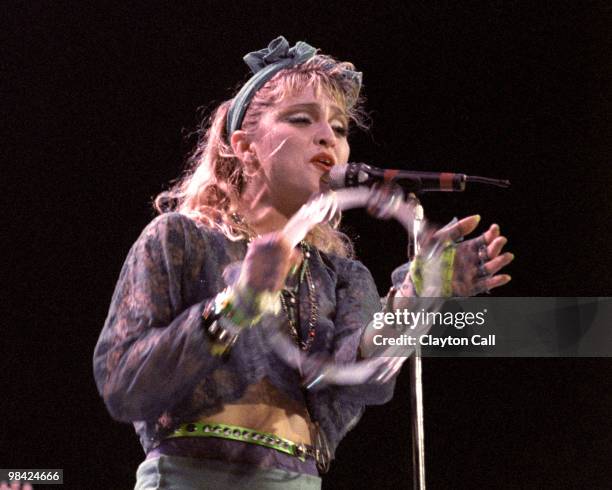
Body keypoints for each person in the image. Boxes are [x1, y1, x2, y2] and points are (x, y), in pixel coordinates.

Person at [93, 36, 512, 489]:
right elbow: (122, 383)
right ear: (245, 146)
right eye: (301, 119)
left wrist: (421, 293)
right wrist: (238, 302)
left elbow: (368, 377)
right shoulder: (180, 238)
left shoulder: (341, 275)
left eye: (340, 127)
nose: (327, 136)